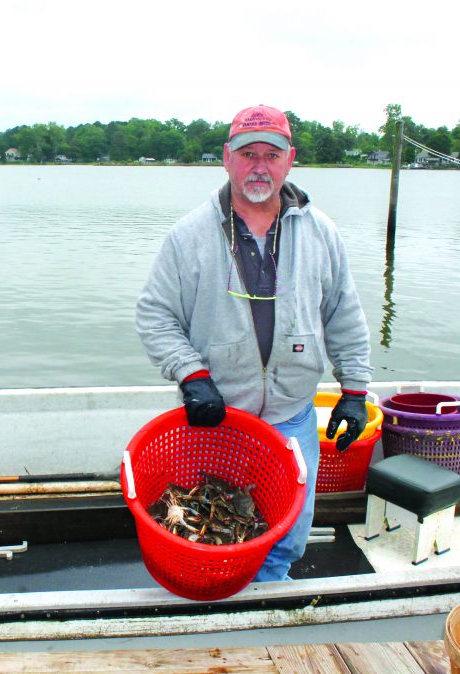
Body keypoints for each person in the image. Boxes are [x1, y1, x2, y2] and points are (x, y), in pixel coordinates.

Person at [135, 105, 372, 582]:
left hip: (293, 415)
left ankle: (268, 606)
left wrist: (355, 392)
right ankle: (212, 597)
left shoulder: (321, 232)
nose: (259, 166)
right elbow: (155, 315)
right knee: (204, 525)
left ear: (290, 161)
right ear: (226, 158)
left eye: (271, 154)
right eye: (247, 154)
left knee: (287, 533)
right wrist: (193, 376)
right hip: (216, 418)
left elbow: (343, 313)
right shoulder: (189, 235)